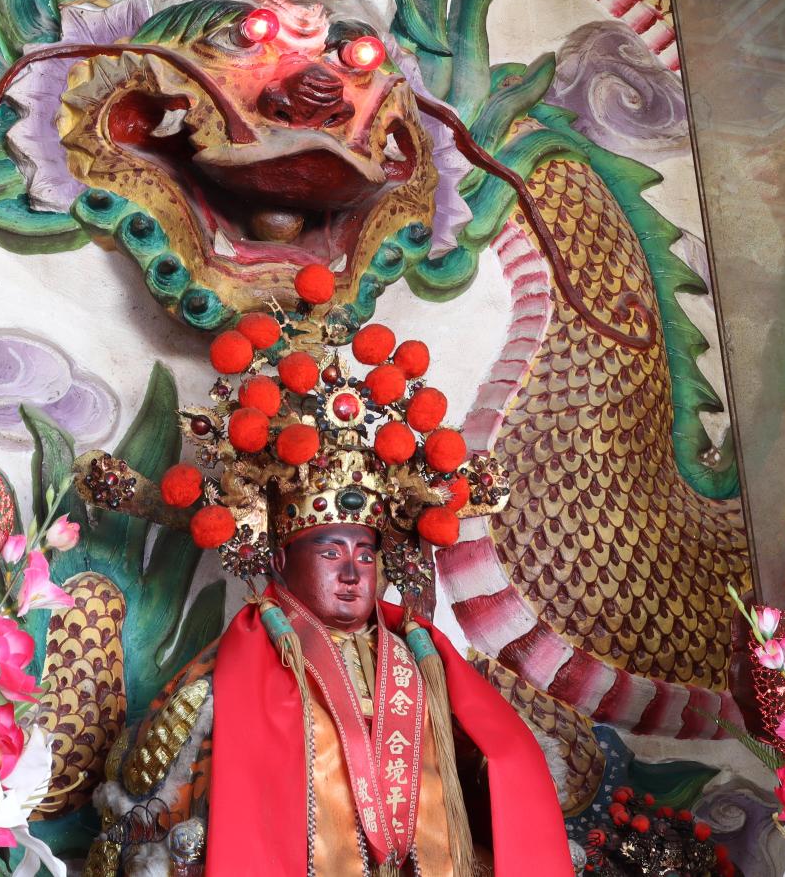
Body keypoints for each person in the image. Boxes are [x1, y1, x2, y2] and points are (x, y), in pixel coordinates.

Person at [78, 315, 572, 877]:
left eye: (365, 553)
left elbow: (488, 771)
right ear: (281, 561)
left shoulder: (421, 659)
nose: (354, 572)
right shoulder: (232, 674)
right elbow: (168, 810)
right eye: (331, 553)